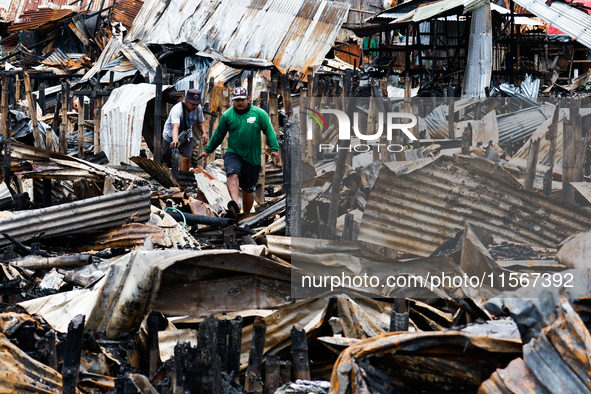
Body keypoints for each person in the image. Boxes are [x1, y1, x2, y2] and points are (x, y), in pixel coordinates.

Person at [197, 86, 280, 215]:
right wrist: (208, 150)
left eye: (242, 99)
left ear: (248, 99)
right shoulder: (227, 115)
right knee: (232, 174)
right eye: (237, 100)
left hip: (252, 157)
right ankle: (235, 203)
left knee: (248, 190)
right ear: (232, 101)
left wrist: (274, 149)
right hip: (233, 152)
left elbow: (269, 131)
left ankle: (245, 216)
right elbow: (219, 135)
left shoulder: (259, 114)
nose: (240, 102)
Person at [161, 89, 209, 171]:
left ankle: (184, 177)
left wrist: (204, 133)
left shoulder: (198, 108)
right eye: (193, 104)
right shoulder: (177, 109)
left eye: (197, 104)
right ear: (186, 101)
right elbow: (175, 127)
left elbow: (200, 123)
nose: (195, 106)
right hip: (170, 134)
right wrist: (175, 140)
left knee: (187, 157)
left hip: (186, 133)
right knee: (166, 157)